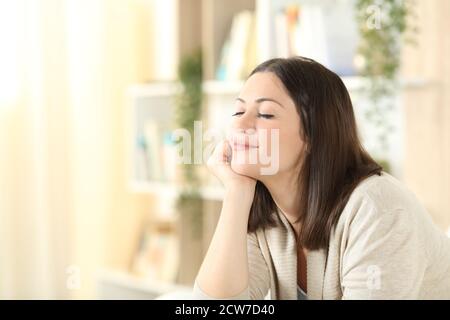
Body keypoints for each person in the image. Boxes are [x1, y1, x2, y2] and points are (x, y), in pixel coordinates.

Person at [193, 56, 450, 299]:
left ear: (314, 134)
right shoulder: (262, 210)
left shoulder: (378, 209)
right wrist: (236, 193)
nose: (240, 125)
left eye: (266, 114)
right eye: (238, 112)